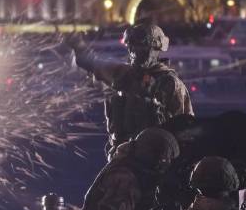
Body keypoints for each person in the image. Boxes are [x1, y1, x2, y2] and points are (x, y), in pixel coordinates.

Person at [65, 22, 193, 158]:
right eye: (131, 46)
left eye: (141, 46)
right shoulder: (123, 74)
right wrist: (78, 45)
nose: (134, 51)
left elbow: (185, 130)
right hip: (121, 156)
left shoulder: (170, 84)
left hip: (155, 160)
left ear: (155, 49)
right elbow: (92, 63)